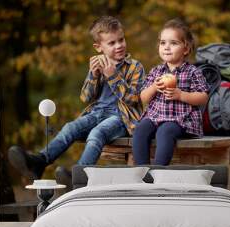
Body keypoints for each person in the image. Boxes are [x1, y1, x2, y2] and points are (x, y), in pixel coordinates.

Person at [8, 16, 144, 183]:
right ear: (98, 47)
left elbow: (133, 98)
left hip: (121, 118)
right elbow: (85, 97)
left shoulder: (135, 67)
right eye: (112, 43)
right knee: (70, 127)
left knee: (97, 133)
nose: (119, 45)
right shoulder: (99, 66)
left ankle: (79, 177)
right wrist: (93, 75)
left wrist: (113, 76)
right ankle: (40, 161)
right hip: (96, 113)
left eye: (121, 40)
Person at [132, 19, 209, 165]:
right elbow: (143, 98)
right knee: (140, 129)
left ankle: (157, 172)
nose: (167, 47)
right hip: (155, 116)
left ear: (185, 49)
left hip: (180, 119)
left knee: (165, 131)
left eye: (173, 43)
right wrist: (154, 87)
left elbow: (203, 97)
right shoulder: (156, 72)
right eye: (163, 43)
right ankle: (142, 170)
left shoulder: (193, 72)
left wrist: (181, 95)